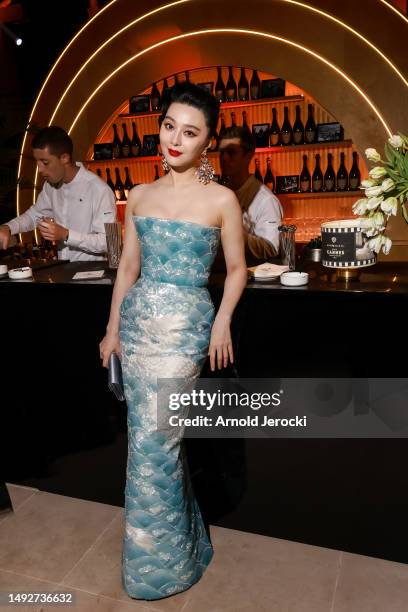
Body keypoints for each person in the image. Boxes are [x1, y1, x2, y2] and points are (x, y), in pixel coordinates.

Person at [99, 82, 247, 601]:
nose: (176, 140)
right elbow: (128, 270)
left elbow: (236, 271)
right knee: (147, 441)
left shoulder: (222, 199)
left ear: (209, 141)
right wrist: (113, 328)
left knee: (157, 442)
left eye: (190, 132)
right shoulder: (138, 196)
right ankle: (176, 553)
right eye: (169, 127)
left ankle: (159, 566)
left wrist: (222, 322)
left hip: (187, 330)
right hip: (139, 328)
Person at [0, 126, 116, 261]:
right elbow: (34, 216)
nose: (40, 170)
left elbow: (109, 242)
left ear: (64, 158)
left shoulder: (99, 189)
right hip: (63, 270)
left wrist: (66, 235)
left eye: (45, 162)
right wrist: (8, 227)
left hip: (94, 275)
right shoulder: (50, 186)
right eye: (37, 163)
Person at [218, 125, 283, 264]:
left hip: (250, 281)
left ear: (248, 155)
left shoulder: (266, 200)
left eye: (231, 152)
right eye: (221, 152)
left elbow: (271, 248)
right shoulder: (218, 194)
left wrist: (237, 235)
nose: (224, 158)